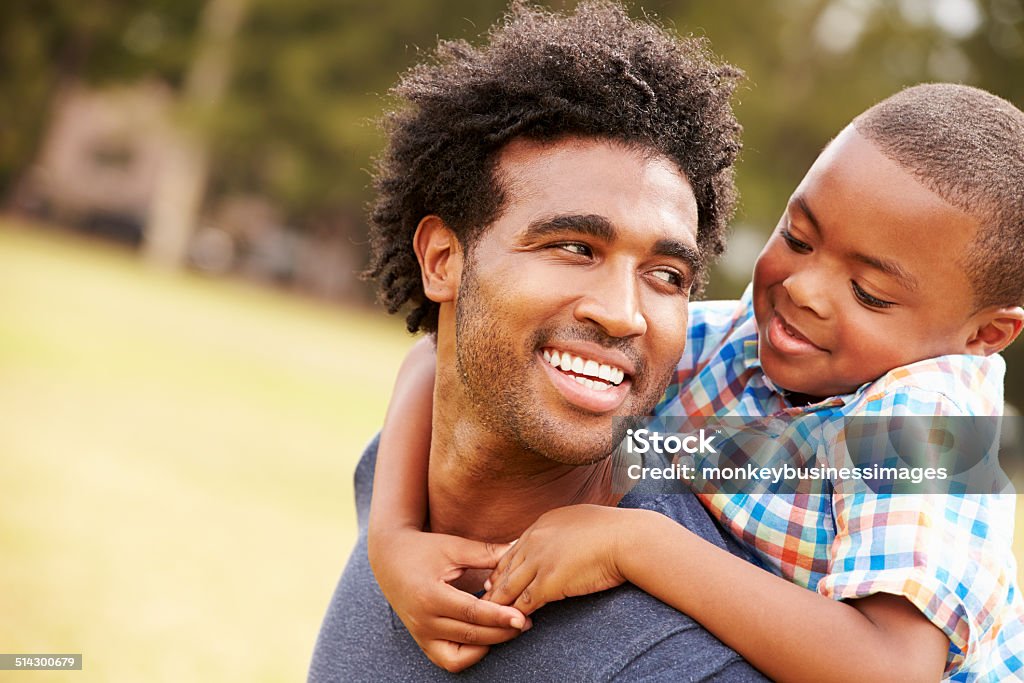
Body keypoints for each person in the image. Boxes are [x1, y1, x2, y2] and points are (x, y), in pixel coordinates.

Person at [371, 82, 1024, 681]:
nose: (804, 290)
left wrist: (636, 544)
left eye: (868, 292)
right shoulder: (742, 342)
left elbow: (890, 669)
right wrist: (393, 537)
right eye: (798, 238)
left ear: (985, 335)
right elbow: (448, 349)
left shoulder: (928, 428)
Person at [308, 1, 768, 680]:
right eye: (574, 246)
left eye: (667, 274)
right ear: (443, 261)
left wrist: (638, 545)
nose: (623, 314)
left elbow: (959, 454)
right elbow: (432, 357)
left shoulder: (711, 463)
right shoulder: (393, 477)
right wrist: (392, 534)